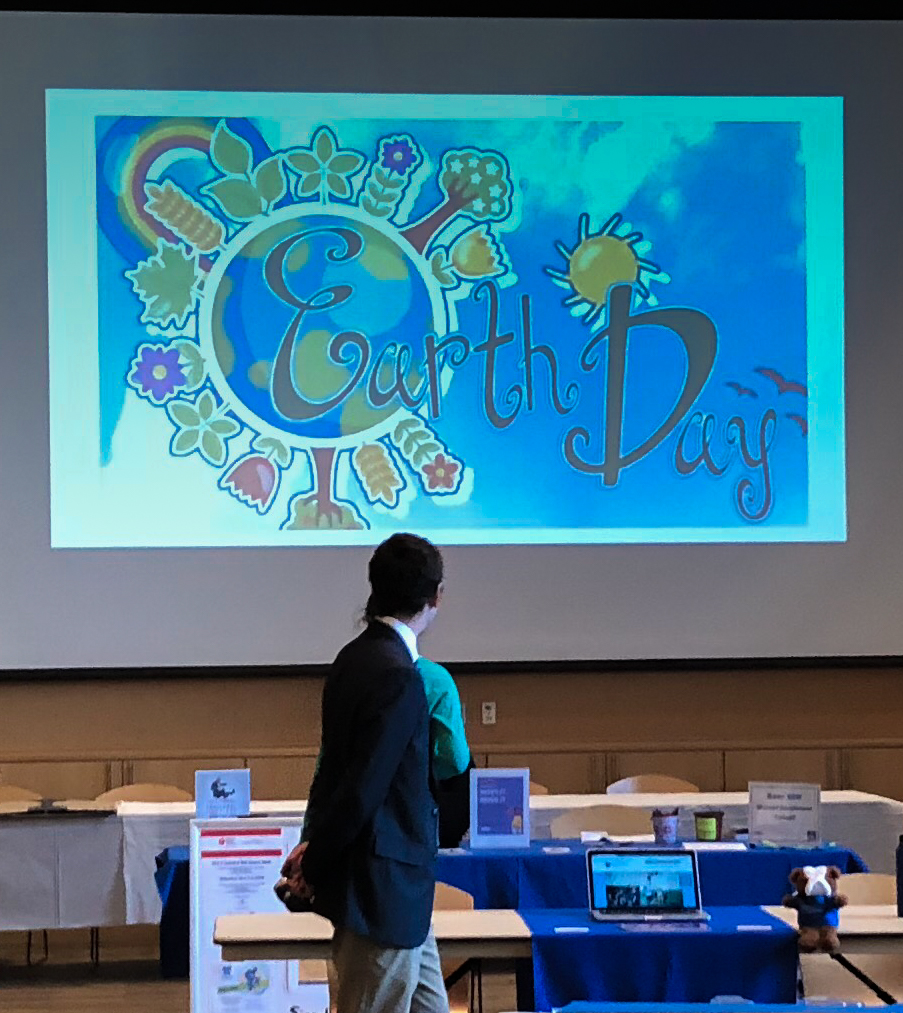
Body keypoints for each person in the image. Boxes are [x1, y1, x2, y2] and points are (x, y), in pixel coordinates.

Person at [279, 533, 449, 1013]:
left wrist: (315, 847)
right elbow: (362, 788)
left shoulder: (352, 658)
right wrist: (315, 861)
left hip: (397, 895)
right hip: (383, 892)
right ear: (435, 596)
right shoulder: (399, 675)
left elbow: (334, 772)